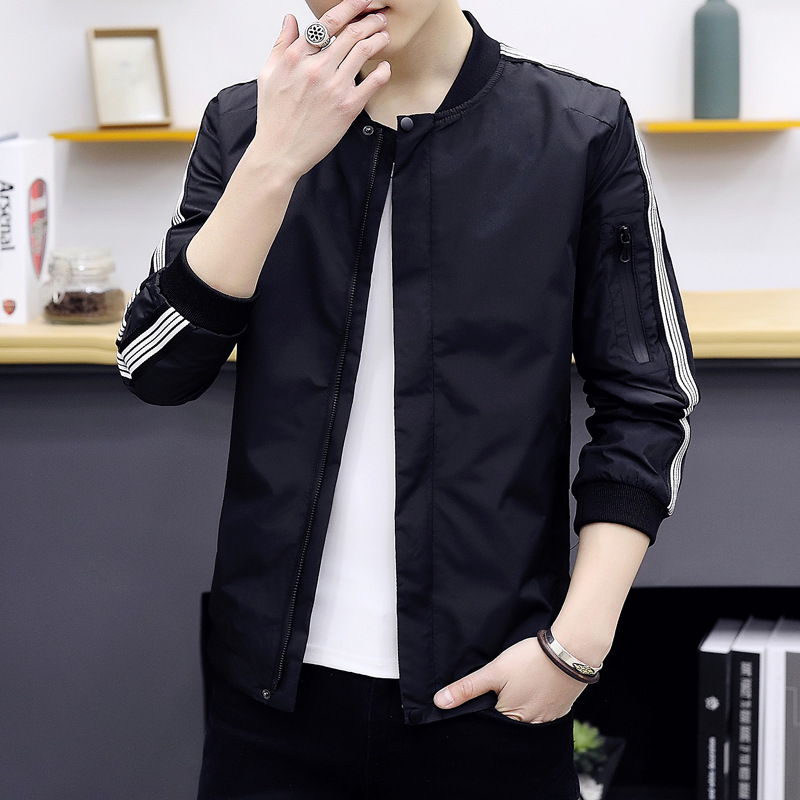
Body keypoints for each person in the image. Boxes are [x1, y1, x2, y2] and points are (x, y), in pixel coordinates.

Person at [117, 0, 699, 797]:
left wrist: (576, 647)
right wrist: (272, 163)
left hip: (490, 691)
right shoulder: (244, 123)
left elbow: (648, 398)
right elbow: (156, 366)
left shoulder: (580, 130)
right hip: (268, 698)